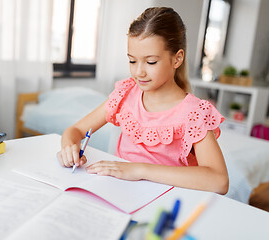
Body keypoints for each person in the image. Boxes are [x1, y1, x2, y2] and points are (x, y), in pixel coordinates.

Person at [57, 7, 229, 194]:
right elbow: (75, 130)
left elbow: (219, 181)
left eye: (151, 62)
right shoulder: (126, 93)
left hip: (164, 201)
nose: (139, 72)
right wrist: (69, 148)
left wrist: (140, 169)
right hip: (117, 192)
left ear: (177, 59)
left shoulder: (194, 113)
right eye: (132, 61)